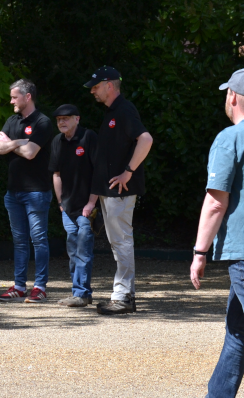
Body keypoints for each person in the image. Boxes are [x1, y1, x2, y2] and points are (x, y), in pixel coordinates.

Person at [190, 68, 244, 398]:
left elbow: (216, 201)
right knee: (238, 329)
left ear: (232, 96)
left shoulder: (230, 138)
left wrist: (200, 252)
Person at [83, 66, 153, 315]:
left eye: (96, 86)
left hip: (120, 191)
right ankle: (125, 295)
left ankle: (122, 296)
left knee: (121, 242)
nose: (92, 91)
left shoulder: (123, 110)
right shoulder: (113, 112)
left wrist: (129, 171)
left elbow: (146, 139)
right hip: (111, 192)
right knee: (119, 242)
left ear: (109, 85)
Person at [0, 79, 54, 303]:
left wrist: (11, 143)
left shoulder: (43, 122)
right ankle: (19, 286)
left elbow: (31, 153)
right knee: (19, 241)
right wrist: (19, 141)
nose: (11, 101)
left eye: (14, 97)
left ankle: (40, 287)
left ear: (27, 97)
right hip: (13, 193)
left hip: (36, 192)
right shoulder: (12, 120)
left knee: (38, 239)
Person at [48, 104, 99, 307]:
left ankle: (82, 293)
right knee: (73, 251)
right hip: (67, 209)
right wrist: (60, 202)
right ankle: (79, 292)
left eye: (66, 118)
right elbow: (56, 173)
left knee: (83, 250)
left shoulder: (88, 137)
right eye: (59, 119)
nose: (62, 122)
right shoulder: (57, 141)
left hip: (87, 208)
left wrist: (91, 203)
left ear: (77, 119)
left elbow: (98, 173)